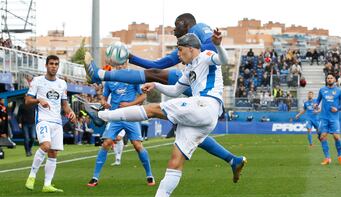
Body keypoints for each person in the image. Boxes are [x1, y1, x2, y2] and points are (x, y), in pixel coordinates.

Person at [95, 31, 247, 197]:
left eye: (180, 50)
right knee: (175, 162)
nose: (179, 55)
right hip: (203, 117)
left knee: (152, 109)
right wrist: (155, 84)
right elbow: (175, 90)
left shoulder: (206, 56)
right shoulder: (189, 69)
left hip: (206, 104)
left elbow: (224, 60)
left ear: (191, 49)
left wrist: (218, 44)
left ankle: (104, 115)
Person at [84, 13, 243, 175]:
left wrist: (195, 51)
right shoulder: (185, 46)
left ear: (185, 24)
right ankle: (233, 160)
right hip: (196, 88)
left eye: (176, 25)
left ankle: (100, 77)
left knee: (155, 81)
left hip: (205, 90)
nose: (173, 30)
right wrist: (130, 57)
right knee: (195, 134)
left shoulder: (198, 30)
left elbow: (212, 48)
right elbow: (157, 65)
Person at [87, 62, 155, 187]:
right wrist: (104, 102)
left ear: (126, 64)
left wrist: (129, 105)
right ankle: (95, 177)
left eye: (122, 63)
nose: (120, 66)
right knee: (106, 143)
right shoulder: (110, 79)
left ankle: (149, 175)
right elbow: (104, 97)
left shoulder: (133, 78)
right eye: (117, 63)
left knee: (137, 145)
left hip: (131, 115)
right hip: (115, 116)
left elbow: (142, 97)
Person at [24, 55, 76, 192]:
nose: (54, 66)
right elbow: (27, 100)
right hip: (43, 120)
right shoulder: (37, 81)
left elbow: (64, 104)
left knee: (53, 153)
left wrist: (70, 112)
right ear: (46, 65)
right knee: (46, 146)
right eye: (51, 63)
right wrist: (38, 100)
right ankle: (32, 176)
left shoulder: (62, 83)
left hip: (57, 122)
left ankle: (47, 185)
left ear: (58, 66)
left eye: (56, 64)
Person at [314, 73, 341, 165]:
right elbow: (318, 100)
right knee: (322, 136)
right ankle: (327, 158)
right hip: (324, 117)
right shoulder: (322, 90)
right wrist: (316, 104)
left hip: (334, 118)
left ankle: (340, 156)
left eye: (331, 78)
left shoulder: (339, 91)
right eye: (328, 78)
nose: (329, 79)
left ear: (334, 80)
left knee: (336, 137)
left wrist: (337, 108)